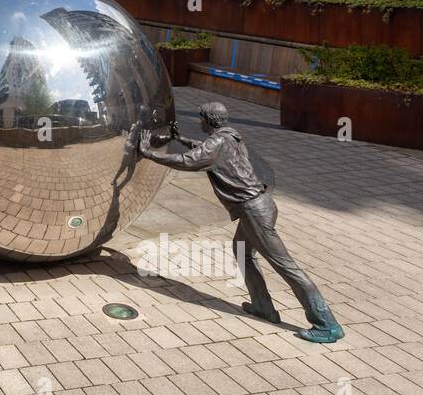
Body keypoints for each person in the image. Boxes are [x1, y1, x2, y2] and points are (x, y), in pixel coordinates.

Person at [138, 101, 344, 343]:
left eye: (201, 118)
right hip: (261, 204)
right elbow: (204, 151)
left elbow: (189, 161)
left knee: (286, 266)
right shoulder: (230, 137)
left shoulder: (217, 142)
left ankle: (326, 324)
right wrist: (181, 138)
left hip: (253, 211)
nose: (199, 122)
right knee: (242, 250)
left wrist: (148, 153)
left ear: (208, 120)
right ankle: (263, 306)